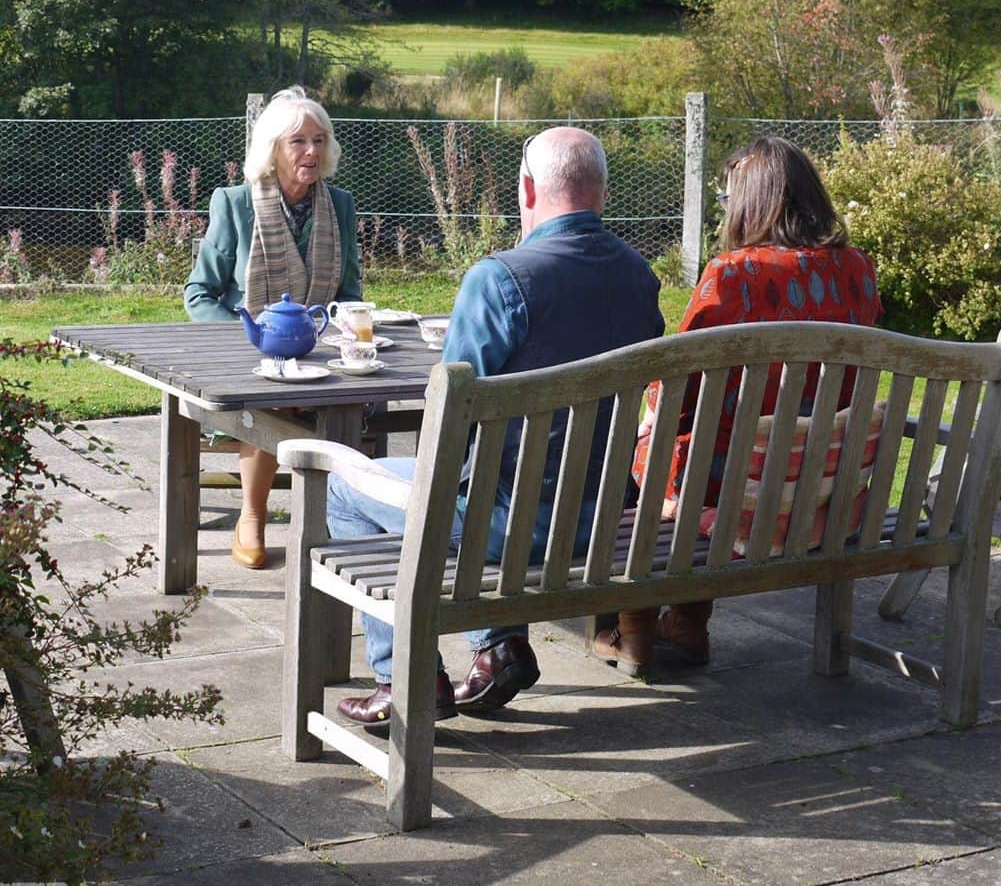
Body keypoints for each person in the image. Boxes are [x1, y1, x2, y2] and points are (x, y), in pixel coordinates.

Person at [327, 126, 665, 730]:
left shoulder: (501, 279)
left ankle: (402, 675)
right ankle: (500, 647)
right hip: (601, 523)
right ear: (603, 193)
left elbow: (448, 423)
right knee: (486, 481)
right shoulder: (639, 276)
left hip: (516, 532)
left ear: (528, 188)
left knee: (348, 483)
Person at [592, 136, 884, 673]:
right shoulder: (857, 269)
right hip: (822, 478)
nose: (727, 211)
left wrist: (650, 413)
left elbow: (677, 381)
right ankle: (687, 624)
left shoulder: (734, 274)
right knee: (710, 443)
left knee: (657, 451)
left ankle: (632, 627)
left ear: (756, 202)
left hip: (736, 484)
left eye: (729, 199)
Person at [184, 86, 362, 570]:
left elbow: (349, 297)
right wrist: (249, 337)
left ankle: (341, 525)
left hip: (319, 354)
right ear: (273, 150)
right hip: (252, 359)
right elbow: (198, 294)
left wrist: (344, 332)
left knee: (350, 394)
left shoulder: (339, 205)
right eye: (298, 142)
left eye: (320, 141)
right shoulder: (236, 203)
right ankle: (252, 517)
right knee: (273, 396)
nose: (311, 152)